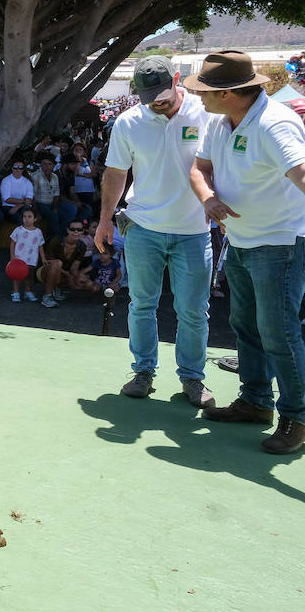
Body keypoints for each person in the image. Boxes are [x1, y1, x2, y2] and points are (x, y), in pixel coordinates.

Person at [189, 50, 305, 454]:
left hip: (281, 242)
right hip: (241, 240)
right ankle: (257, 402)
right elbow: (199, 169)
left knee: (279, 332)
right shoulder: (220, 121)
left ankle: (298, 417)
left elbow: (303, 174)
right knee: (247, 325)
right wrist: (207, 198)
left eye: (206, 91)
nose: (199, 97)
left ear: (232, 93)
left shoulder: (276, 125)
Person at [94, 55, 214, 408]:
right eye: (149, 98)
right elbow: (116, 173)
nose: (157, 104)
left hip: (194, 230)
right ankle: (143, 372)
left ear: (178, 78)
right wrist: (104, 220)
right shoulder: (128, 123)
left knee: (193, 310)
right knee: (141, 304)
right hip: (143, 227)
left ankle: (192, 378)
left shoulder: (206, 112)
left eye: (162, 95)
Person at [40, 220, 93, 307]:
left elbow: (74, 268)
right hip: (44, 270)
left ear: (83, 231)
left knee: (85, 282)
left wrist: (81, 277)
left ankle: (58, 288)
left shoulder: (81, 246)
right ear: (67, 230)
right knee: (57, 263)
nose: (76, 232)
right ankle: (47, 296)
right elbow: (48, 261)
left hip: (64, 273)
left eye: (79, 229)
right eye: (72, 229)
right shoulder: (57, 241)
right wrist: (69, 276)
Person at [9, 207, 46, 302]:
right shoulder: (18, 230)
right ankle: (16, 292)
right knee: (16, 275)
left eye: (29, 217)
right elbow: (12, 242)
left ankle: (27, 291)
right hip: (19, 258)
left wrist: (43, 258)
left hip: (31, 258)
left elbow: (40, 245)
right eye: (24, 216)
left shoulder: (38, 232)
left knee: (29, 276)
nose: (26, 219)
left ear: (35, 219)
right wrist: (12, 256)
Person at [31, 154, 63, 234]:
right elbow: (32, 196)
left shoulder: (55, 176)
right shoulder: (35, 176)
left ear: (53, 165)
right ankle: (57, 238)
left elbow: (56, 194)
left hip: (52, 203)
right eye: (44, 164)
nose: (47, 166)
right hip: (40, 204)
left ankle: (57, 235)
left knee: (70, 210)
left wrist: (55, 207)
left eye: (49, 164)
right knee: (53, 216)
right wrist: (36, 212)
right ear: (41, 165)